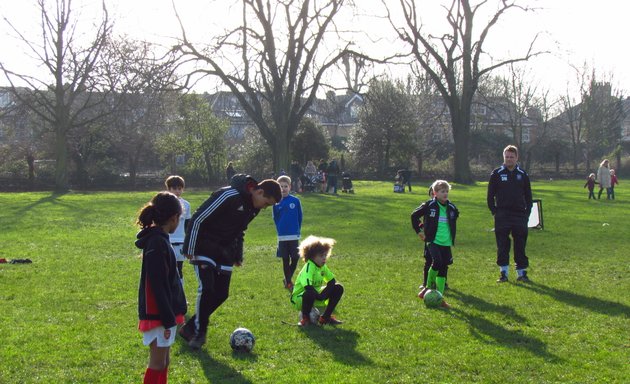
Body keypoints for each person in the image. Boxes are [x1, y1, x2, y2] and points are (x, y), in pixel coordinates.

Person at [179, 174, 281, 349]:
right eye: (266, 203)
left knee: (221, 293)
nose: (264, 208)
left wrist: (237, 254)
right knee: (207, 288)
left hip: (225, 250)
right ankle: (199, 333)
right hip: (204, 245)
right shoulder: (229, 195)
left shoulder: (253, 208)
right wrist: (190, 246)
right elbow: (199, 218)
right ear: (259, 192)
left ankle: (189, 329)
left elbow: (240, 230)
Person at [135, 192, 187, 384]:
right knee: (157, 362)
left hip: (164, 313)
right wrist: (167, 317)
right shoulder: (157, 243)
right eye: (179, 219)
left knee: (164, 361)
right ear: (173, 218)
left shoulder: (161, 240)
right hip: (158, 315)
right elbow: (157, 284)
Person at [487, 145, 533, 283]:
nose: (509, 159)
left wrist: (527, 214)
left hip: (519, 215)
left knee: (520, 244)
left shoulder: (523, 175)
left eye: (511, 157)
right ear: (503, 157)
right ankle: (503, 273)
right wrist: (495, 211)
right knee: (502, 244)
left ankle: (521, 273)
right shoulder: (496, 174)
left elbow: (529, 197)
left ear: (517, 157)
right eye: (507, 157)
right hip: (502, 214)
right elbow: (490, 196)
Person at [411, 180, 459, 308]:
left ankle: (440, 298)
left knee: (443, 268)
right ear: (435, 193)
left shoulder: (452, 208)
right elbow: (414, 216)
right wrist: (420, 231)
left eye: (447, 191)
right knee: (436, 262)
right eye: (442, 191)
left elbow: (455, 217)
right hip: (433, 241)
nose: (445, 194)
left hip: (446, 243)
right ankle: (427, 287)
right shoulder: (429, 205)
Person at [291, 235, 344, 326]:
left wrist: (323, 295)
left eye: (325, 255)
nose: (324, 258)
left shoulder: (322, 266)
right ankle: (305, 318)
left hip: (315, 295)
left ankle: (325, 317)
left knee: (338, 288)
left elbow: (331, 281)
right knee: (309, 293)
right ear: (311, 256)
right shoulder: (309, 267)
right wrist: (320, 296)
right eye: (321, 255)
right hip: (300, 299)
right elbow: (308, 287)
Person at [273, 175, 303, 291]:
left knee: (295, 258)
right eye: (281, 186)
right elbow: (275, 218)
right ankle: (289, 283)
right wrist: (281, 230)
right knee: (285, 260)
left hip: (294, 235)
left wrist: (296, 229)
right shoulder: (276, 203)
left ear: (290, 187)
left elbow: (300, 217)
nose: (283, 189)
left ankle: (287, 278)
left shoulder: (295, 201)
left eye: (286, 186)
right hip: (282, 237)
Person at [164, 176, 192, 285]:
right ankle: (167, 295)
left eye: (180, 188)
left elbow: (187, 225)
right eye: (174, 188)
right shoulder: (164, 203)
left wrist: (189, 242)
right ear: (169, 189)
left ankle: (180, 297)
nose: (177, 191)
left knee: (178, 269)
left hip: (180, 242)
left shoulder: (186, 204)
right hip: (167, 240)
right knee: (166, 269)